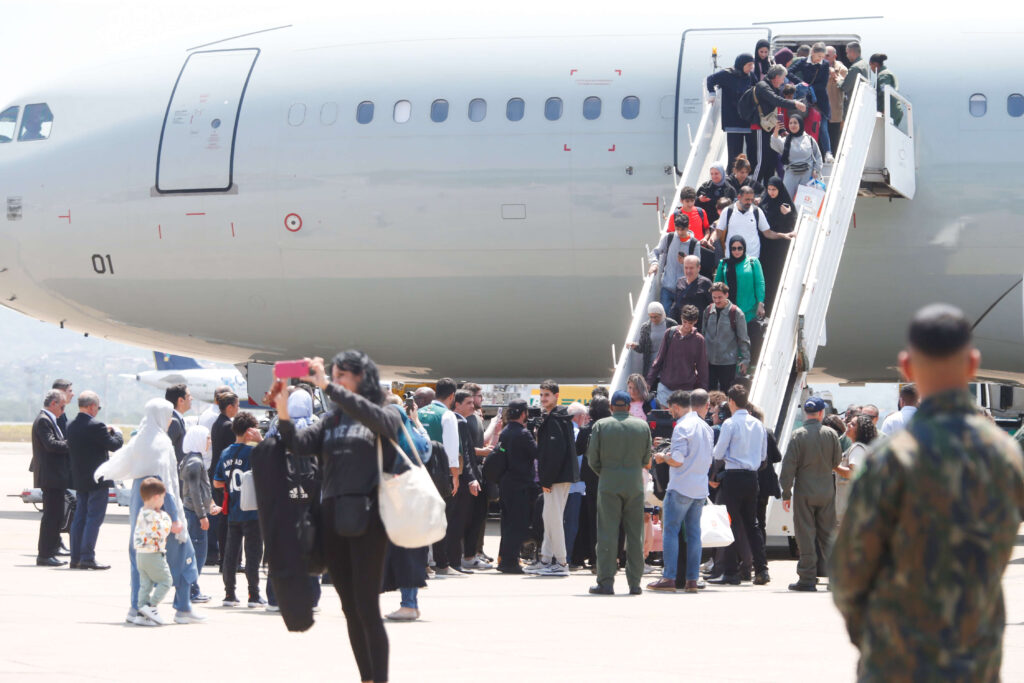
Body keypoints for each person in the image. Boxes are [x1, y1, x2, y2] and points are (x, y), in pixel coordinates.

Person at [832, 304, 1024, 681]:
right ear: (973, 364)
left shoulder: (889, 459)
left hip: (896, 656)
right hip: (976, 657)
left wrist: (874, 637)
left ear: (906, 366)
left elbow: (849, 572)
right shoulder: (1005, 456)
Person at [274, 353, 401, 683]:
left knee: (367, 607)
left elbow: (386, 426)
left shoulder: (383, 410)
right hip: (332, 519)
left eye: (343, 375)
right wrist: (282, 408)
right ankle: (367, 678)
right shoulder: (332, 420)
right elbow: (298, 444)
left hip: (370, 519)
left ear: (363, 377)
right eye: (334, 374)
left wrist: (329, 387)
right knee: (348, 608)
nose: (336, 380)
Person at [94, 398, 202, 626]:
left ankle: (136, 608)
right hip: (161, 507)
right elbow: (167, 487)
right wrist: (174, 518)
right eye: (169, 415)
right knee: (185, 557)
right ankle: (181, 608)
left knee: (140, 561)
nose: (171, 419)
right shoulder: (160, 442)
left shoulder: (139, 440)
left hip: (140, 503)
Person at [587, 390, 652, 595]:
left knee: (607, 532)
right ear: (629, 406)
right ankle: (635, 583)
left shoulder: (601, 426)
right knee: (635, 534)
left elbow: (592, 460)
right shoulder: (642, 426)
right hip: (634, 483)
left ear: (612, 407)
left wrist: (605, 473)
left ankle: (606, 581)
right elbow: (645, 459)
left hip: (609, 483)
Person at [648, 389, 713, 593]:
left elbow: (677, 460)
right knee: (694, 534)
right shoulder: (705, 427)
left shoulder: (682, 427)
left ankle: (669, 577)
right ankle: (692, 580)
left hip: (681, 486)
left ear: (676, 407)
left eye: (670, 409)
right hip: (699, 488)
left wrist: (662, 457)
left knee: (671, 531)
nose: (670, 413)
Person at [779, 397, 842, 591]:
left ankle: (807, 578)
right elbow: (836, 461)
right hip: (826, 490)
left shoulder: (798, 435)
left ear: (806, 413)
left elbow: (788, 467)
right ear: (822, 413)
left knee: (805, 533)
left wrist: (786, 493)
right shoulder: (831, 433)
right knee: (828, 534)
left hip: (804, 490)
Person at [709, 384, 770, 586]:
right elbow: (763, 457)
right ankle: (761, 569)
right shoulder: (758, 424)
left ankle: (731, 572)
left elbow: (718, 453)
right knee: (752, 525)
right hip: (752, 477)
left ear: (732, 402)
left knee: (730, 523)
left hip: (733, 477)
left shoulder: (729, 424)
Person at [382, 393, 432, 621]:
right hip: (418, 504)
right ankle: (409, 603)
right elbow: (428, 448)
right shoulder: (417, 439)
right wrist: (416, 421)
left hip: (395, 505)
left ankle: (407, 605)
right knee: (410, 554)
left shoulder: (386, 441)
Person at [525, 380, 579, 577]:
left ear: (556, 395)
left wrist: (546, 480)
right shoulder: (559, 417)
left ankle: (562, 562)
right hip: (560, 477)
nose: (543, 399)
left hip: (555, 478)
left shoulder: (555, 419)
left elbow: (554, 454)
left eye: (546, 395)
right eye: (541, 395)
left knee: (553, 519)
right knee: (550, 518)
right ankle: (546, 559)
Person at [67, 391, 124, 570]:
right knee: (94, 519)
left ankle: (75, 557)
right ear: (92, 406)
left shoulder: (71, 425)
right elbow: (115, 445)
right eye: (97, 407)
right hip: (98, 479)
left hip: (80, 478)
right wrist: (118, 433)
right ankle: (87, 557)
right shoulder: (97, 425)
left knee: (79, 518)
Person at [214, 411, 265, 607]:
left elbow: (217, 483)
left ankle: (229, 594)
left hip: (233, 510)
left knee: (230, 554)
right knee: (253, 554)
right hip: (252, 511)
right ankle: (253, 595)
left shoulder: (226, 452)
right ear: (250, 431)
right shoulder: (254, 452)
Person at [417, 377, 462, 574]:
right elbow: (452, 451)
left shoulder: (418, 412)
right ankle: (441, 563)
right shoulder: (447, 415)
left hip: (418, 471)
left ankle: (424, 563)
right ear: (452, 396)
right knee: (440, 518)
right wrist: (455, 477)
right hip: (439, 473)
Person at [495, 399, 539, 574]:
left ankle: (505, 559)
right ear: (523, 414)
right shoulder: (523, 434)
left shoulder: (505, 432)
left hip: (506, 483)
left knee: (507, 523)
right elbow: (536, 453)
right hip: (520, 484)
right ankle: (510, 562)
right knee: (518, 524)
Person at [447, 389, 488, 572]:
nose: (473, 406)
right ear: (457, 404)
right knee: (457, 522)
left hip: (460, 478)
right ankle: (454, 561)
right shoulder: (457, 421)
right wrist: (471, 478)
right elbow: (466, 454)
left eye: (473, 402)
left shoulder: (459, 420)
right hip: (460, 479)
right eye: (469, 403)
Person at [179, 424, 218, 603]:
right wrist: (202, 515)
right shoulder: (195, 462)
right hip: (195, 514)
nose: (210, 441)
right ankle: (192, 590)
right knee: (197, 554)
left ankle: (191, 589)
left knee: (195, 553)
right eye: (207, 438)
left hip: (195, 511)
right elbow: (194, 491)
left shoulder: (192, 459)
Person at [33, 389, 70, 567]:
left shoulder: (49, 420)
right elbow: (51, 445)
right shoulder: (43, 421)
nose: (63, 411)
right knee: (51, 516)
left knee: (56, 516)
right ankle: (45, 554)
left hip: (56, 477)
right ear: (53, 404)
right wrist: (72, 444)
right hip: (51, 477)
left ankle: (50, 551)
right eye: (62, 407)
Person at [752, 66, 806, 184]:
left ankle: (767, 189)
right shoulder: (763, 86)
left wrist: (782, 129)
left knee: (771, 161)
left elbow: (778, 111)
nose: (783, 82)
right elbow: (776, 100)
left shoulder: (774, 87)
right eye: (782, 79)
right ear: (776, 77)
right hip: (761, 127)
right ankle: (751, 188)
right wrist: (795, 103)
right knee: (762, 160)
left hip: (771, 127)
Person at [646, 305, 708, 407]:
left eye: (690, 323)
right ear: (681, 318)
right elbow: (659, 359)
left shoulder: (699, 340)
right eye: (685, 322)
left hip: (687, 389)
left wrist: (704, 391)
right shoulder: (670, 333)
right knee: (665, 420)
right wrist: (649, 381)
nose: (687, 326)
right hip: (665, 386)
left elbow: (702, 368)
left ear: (696, 321)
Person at [133, 477, 174, 626]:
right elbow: (163, 531)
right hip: (154, 554)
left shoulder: (141, 513)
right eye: (162, 497)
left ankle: (140, 614)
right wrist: (168, 519)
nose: (163, 501)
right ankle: (151, 607)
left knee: (145, 584)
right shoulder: (155, 516)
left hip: (140, 555)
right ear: (156, 497)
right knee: (166, 581)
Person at [712, 186, 792, 261]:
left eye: (751, 199)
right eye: (747, 199)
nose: (749, 202)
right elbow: (718, 232)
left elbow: (768, 233)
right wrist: (711, 240)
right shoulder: (728, 211)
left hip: (751, 259)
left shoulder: (757, 211)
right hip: (731, 258)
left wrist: (783, 235)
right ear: (739, 197)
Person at [705, 53, 757, 167]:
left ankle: (751, 174)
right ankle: (733, 176)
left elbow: (758, 88)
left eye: (752, 65)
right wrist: (712, 94)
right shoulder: (727, 74)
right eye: (749, 65)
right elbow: (710, 79)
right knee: (735, 154)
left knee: (753, 150)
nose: (751, 68)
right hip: (733, 120)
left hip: (748, 119)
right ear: (741, 64)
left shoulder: (750, 76)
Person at [208, 390, 238, 569]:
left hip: (216, 474)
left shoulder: (218, 423)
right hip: (224, 477)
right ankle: (227, 559)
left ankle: (224, 558)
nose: (238, 409)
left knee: (222, 518)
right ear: (229, 407)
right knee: (226, 519)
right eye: (236, 406)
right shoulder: (228, 426)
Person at [702, 282, 751, 392]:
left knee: (726, 393)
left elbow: (743, 338)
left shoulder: (736, 313)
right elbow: (703, 333)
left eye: (720, 297)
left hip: (728, 363)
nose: (717, 300)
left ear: (727, 295)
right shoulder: (708, 310)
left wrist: (745, 359)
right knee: (710, 394)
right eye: (714, 297)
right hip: (709, 362)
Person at [714, 235, 766, 338]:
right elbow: (717, 286)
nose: (736, 251)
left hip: (750, 311)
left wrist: (760, 303)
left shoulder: (753, 262)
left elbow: (759, 283)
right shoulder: (724, 263)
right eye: (733, 248)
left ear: (744, 248)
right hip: (729, 311)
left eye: (739, 248)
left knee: (748, 341)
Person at [650, 212, 702, 312]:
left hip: (685, 289)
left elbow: (698, 266)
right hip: (667, 286)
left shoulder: (694, 243)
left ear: (688, 227)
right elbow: (655, 252)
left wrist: (686, 261)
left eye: (682, 229)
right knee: (665, 315)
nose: (679, 232)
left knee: (681, 317)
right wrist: (654, 264)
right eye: (677, 229)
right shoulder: (668, 238)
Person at [756, 177, 796, 308]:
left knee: (776, 276)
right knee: (764, 277)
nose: (771, 192)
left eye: (774, 189)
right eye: (769, 189)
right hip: (765, 246)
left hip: (779, 248)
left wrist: (787, 215)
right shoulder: (764, 203)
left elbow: (791, 225)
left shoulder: (786, 205)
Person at [790, 43, 833, 159]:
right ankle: (805, 152)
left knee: (823, 127)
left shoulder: (825, 65)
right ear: (812, 53)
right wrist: (801, 83)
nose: (820, 58)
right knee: (807, 126)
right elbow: (789, 72)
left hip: (820, 99)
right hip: (806, 99)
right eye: (819, 55)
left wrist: (809, 87)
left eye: (822, 56)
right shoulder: (803, 62)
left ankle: (828, 152)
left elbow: (822, 84)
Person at [834, 414, 876, 525]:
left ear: (860, 430)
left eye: (853, 424)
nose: (848, 424)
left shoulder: (857, 448)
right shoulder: (864, 447)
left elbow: (853, 473)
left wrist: (833, 466)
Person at [772, 115, 823, 199]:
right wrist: (776, 131)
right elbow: (775, 143)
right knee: (787, 201)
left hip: (807, 175)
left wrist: (816, 170)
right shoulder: (785, 140)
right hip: (791, 174)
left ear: (801, 124)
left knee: (804, 203)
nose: (792, 125)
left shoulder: (809, 139)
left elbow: (818, 156)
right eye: (790, 123)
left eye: (795, 123)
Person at [564, 402, 589, 565]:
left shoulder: (563, 431)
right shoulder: (577, 433)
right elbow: (579, 462)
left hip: (561, 485)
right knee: (571, 524)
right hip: (575, 486)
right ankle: (566, 557)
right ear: (579, 417)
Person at [626, 302, 677, 378]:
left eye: (656, 317)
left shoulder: (672, 324)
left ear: (662, 314)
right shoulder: (645, 327)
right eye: (651, 317)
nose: (653, 319)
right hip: (651, 365)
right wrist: (634, 345)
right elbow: (642, 348)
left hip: (669, 364)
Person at [672, 255, 713, 328]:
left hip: (699, 327)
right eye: (686, 268)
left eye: (691, 268)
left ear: (698, 268)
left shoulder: (706, 283)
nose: (688, 271)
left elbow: (712, 305)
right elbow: (676, 303)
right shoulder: (679, 282)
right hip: (681, 327)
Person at [837, 41, 870, 119]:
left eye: (847, 53)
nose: (847, 56)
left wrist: (839, 80)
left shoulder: (855, 68)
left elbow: (845, 87)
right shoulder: (864, 64)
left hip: (853, 103)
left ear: (852, 52)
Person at [825, 46, 848, 148]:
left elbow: (844, 86)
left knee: (834, 138)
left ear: (835, 56)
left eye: (827, 55)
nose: (824, 58)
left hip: (835, 111)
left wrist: (834, 75)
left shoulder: (842, 70)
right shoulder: (817, 67)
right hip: (821, 110)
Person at [869, 53, 900, 123]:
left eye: (871, 65)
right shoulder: (886, 73)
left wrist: (884, 111)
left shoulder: (883, 75)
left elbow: (885, 92)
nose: (871, 68)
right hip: (893, 110)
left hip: (890, 111)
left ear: (875, 64)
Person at [164, 384, 191, 465]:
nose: (191, 398)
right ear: (181, 400)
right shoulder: (174, 422)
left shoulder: (178, 419)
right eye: (189, 396)